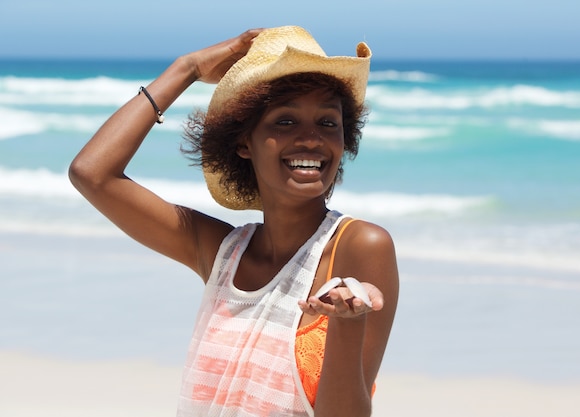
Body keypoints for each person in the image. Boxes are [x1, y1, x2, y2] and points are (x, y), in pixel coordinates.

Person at [69, 25, 399, 417]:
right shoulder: (222, 252)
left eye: (328, 123)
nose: (312, 138)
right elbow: (92, 173)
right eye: (286, 122)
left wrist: (348, 323)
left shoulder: (360, 245)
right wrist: (187, 67)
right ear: (244, 143)